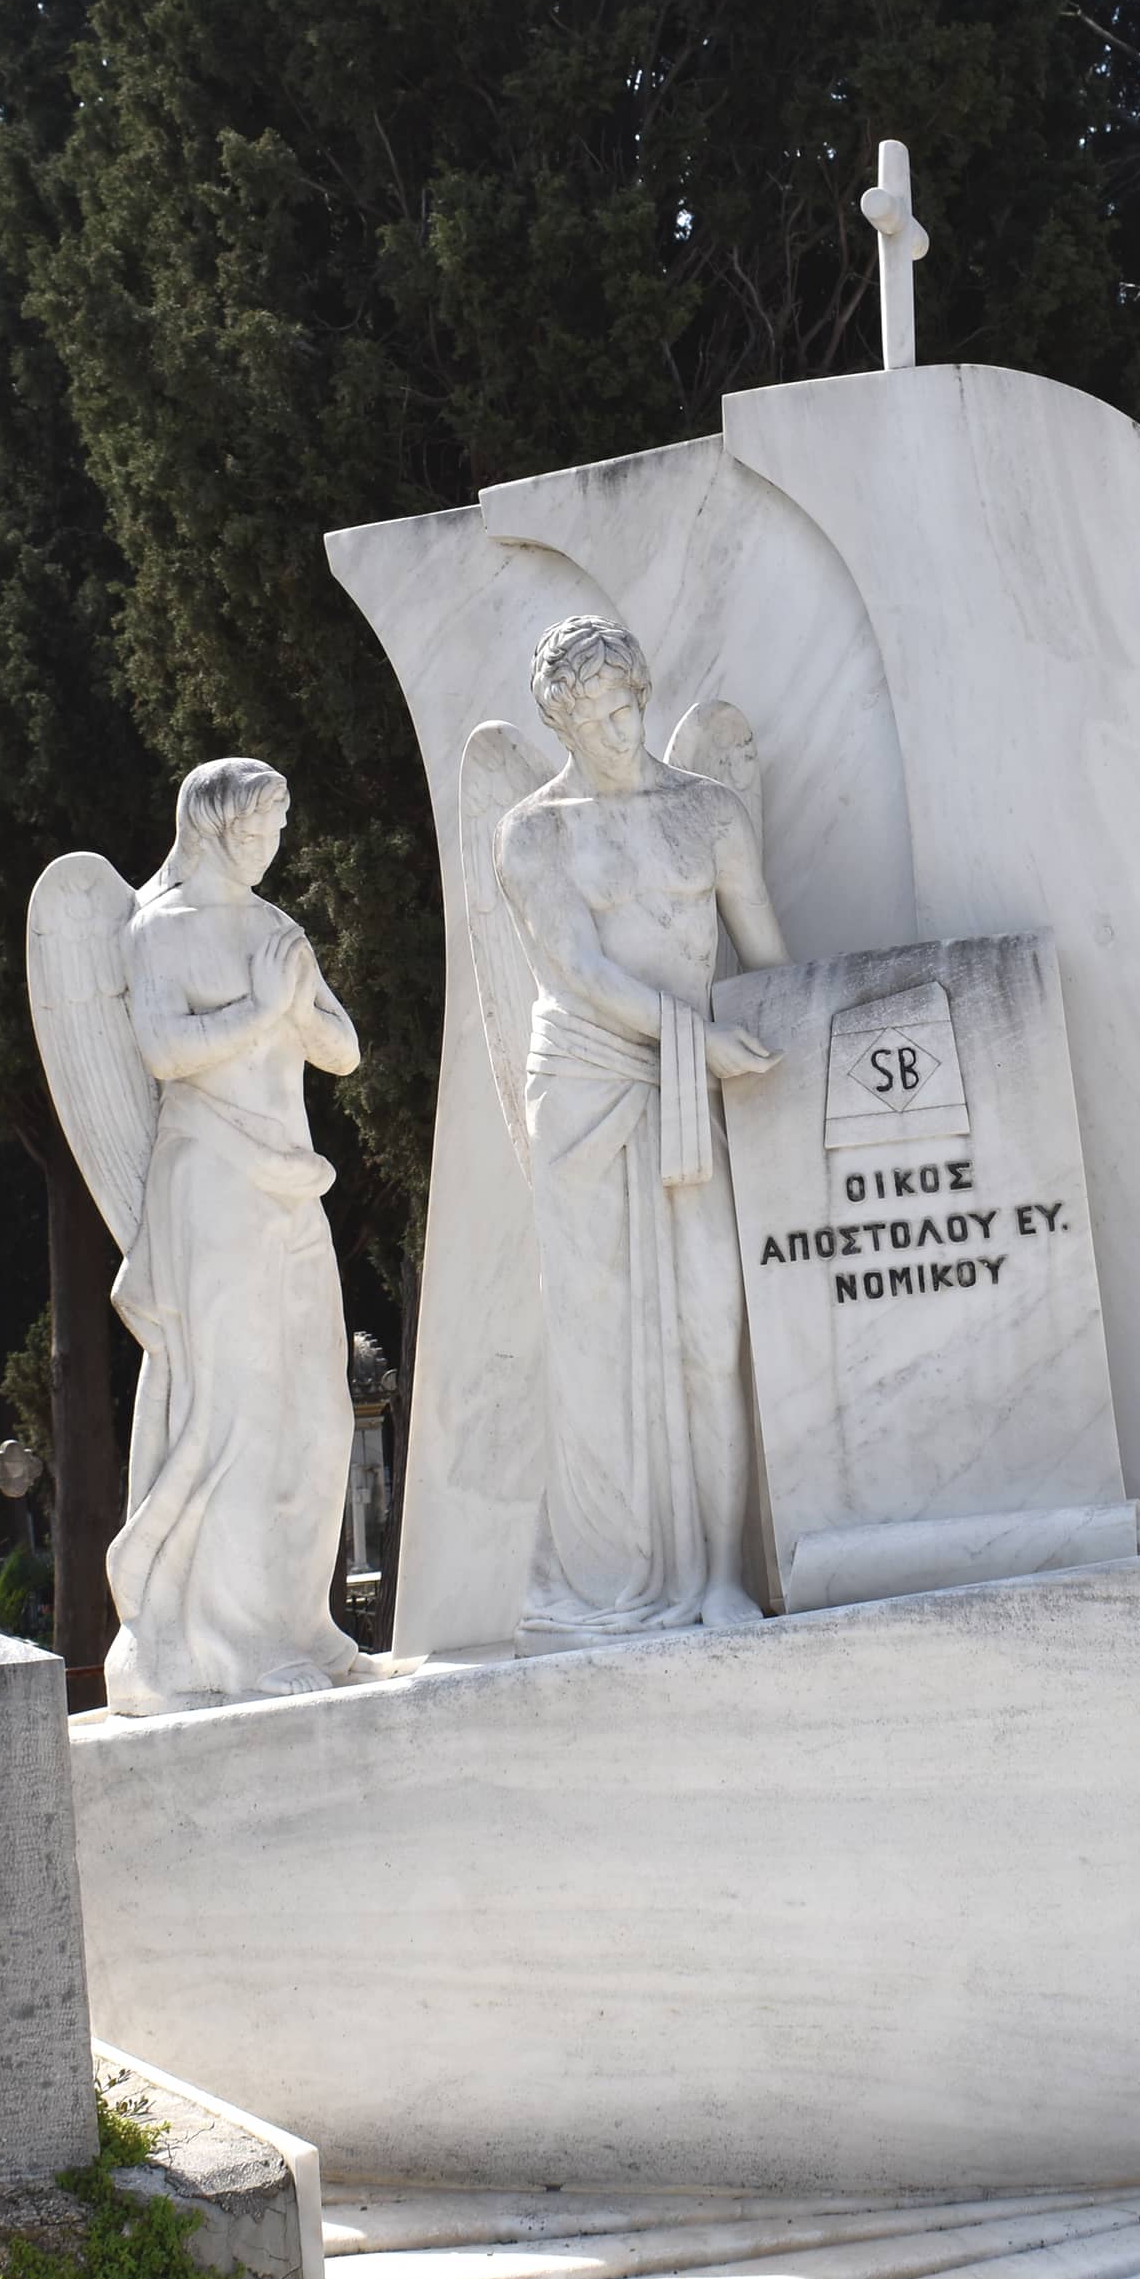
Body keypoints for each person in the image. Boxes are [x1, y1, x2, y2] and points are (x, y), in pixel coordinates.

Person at [491, 615, 792, 1645]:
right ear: (561, 718)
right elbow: (575, 971)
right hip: (586, 1089)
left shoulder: (707, 813)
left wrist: (776, 1038)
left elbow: (766, 959)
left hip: (691, 1083)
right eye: (597, 713)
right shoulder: (535, 830)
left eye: (631, 705)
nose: (621, 728)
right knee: (598, 1349)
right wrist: (695, 1040)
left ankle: (718, 1573)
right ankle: (612, 1574)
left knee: (714, 1331)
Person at [103, 758, 375, 1702]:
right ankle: (230, 1643)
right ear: (215, 830)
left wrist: (294, 1002)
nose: (272, 847)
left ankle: (302, 1621)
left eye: (279, 828)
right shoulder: (158, 929)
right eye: (259, 829)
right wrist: (264, 1009)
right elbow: (164, 1051)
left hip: (287, 1181)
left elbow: (341, 1051)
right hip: (211, 1179)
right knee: (237, 1410)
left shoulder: (274, 928)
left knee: (317, 1407)